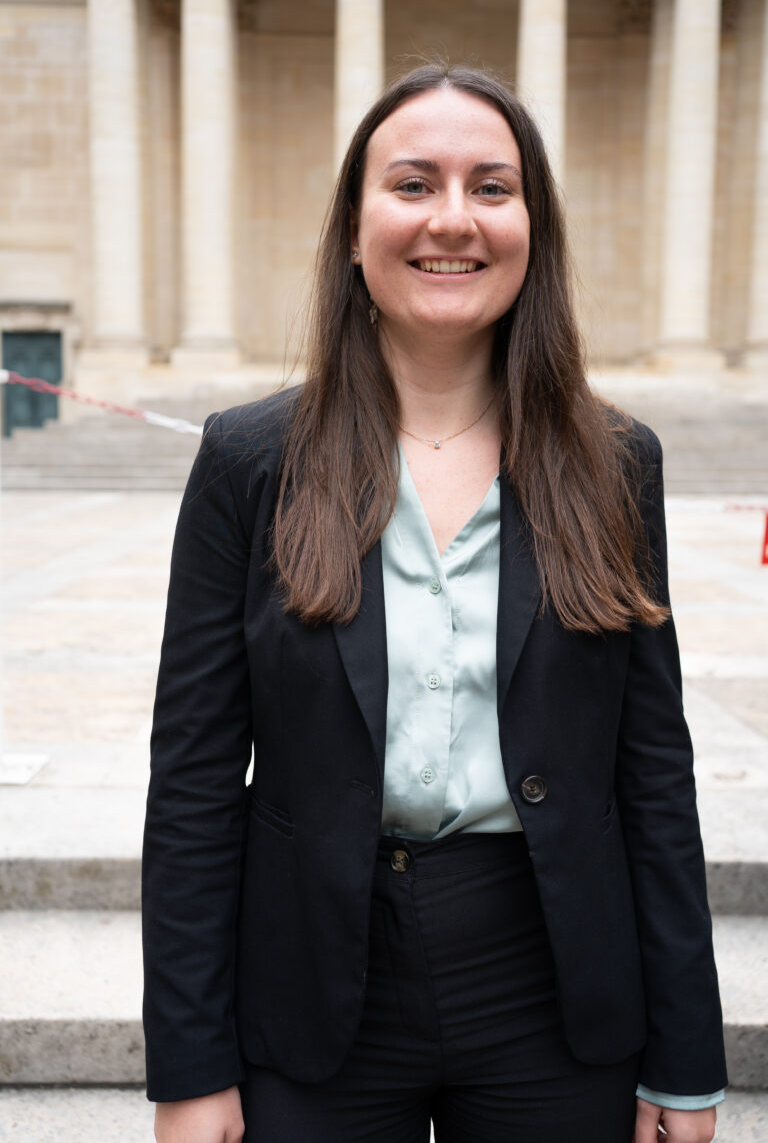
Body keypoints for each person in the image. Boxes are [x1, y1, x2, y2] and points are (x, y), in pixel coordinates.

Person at [142, 63, 728, 1143]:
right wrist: (189, 1067)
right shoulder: (248, 461)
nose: (452, 219)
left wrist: (688, 1065)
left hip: (554, 988)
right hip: (312, 986)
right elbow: (193, 785)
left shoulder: (615, 463)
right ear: (353, 228)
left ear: (533, 230)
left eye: (492, 187)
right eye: (412, 184)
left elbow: (654, 777)